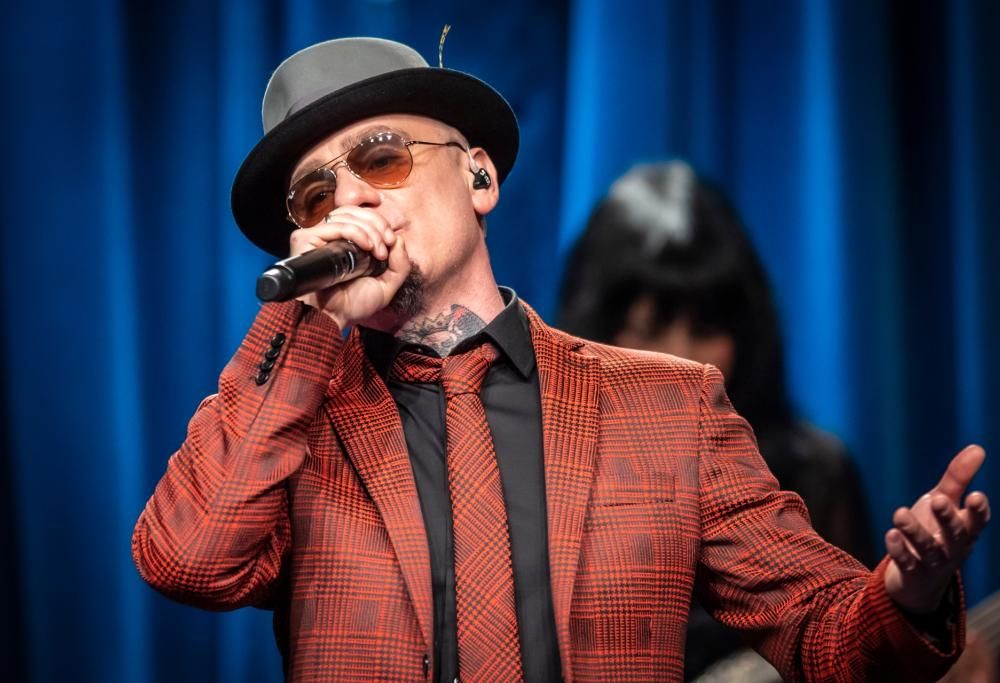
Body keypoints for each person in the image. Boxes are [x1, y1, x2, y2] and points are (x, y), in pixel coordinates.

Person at [132, 36, 991, 683]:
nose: (349, 198)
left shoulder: (670, 405)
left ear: (479, 178)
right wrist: (310, 315)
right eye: (315, 195)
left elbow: (828, 637)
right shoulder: (291, 428)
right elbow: (188, 561)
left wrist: (907, 594)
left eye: (382, 157)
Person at [557, 162, 877, 679]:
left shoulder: (816, 470)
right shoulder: (541, 469)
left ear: (747, 335)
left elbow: (857, 653)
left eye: (705, 331)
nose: (681, 361)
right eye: (649, 330)